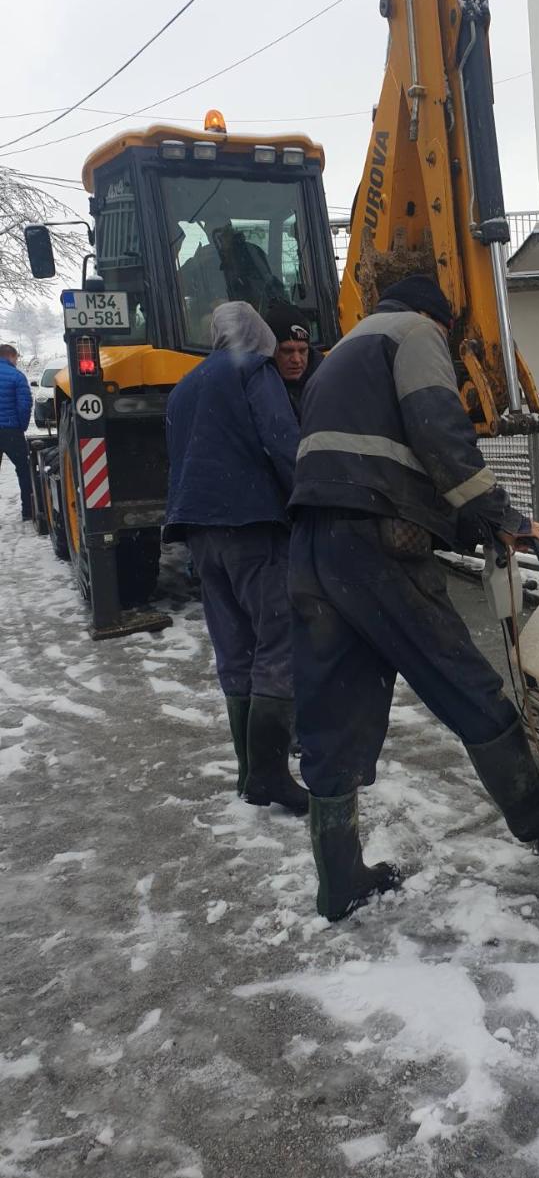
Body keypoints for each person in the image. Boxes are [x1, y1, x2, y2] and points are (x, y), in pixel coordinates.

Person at [288, 274, 539, 921]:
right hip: (376, 545)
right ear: (437, 317)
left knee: (332, 712)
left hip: (311, 543)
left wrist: (469, 523)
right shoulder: (417, 333)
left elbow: (388, 454)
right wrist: (506, 518)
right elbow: (442, 437)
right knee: (464, 681)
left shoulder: (345, 350)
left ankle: (339, 880)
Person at [163, 301, 307, 815]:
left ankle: (249, 774)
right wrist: (310, 502)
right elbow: (282, 441)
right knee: (277, 639)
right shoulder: (253, 368)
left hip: (200, 532)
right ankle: (271, 774)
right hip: (252, 524)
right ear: (257, 332)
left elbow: (181, 459)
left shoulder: (185, 385)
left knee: (235, 647)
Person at [264, 302, 323, 419]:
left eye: (302, 350)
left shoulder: (326, 382)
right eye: (287, 351)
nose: (296, 360)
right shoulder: (255, 389)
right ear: (270, 351)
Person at [0, 344, 33, 522]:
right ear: (11, 356)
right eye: (16, 358)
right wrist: (22, 426)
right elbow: (24, 404)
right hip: (11, 431)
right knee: (23, 469)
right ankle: (28, 511)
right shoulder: (16, 376)